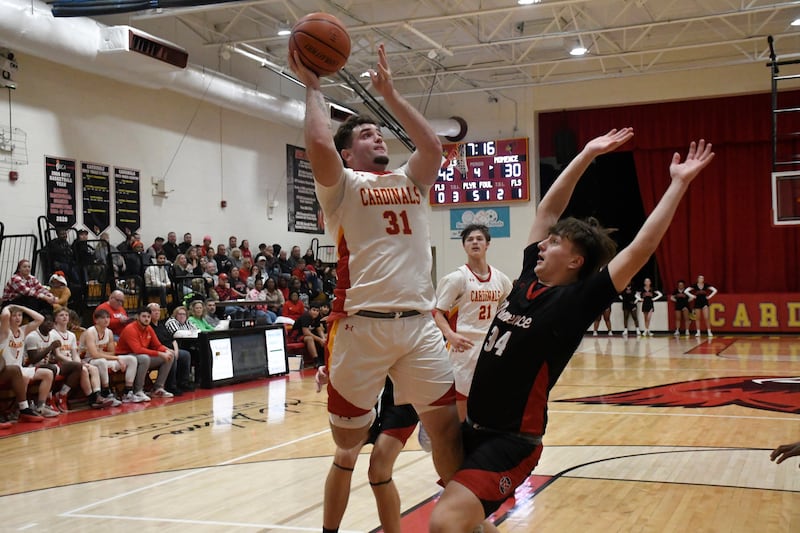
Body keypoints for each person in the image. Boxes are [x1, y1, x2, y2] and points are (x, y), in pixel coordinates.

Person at [428, 131, 714, 532]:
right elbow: (547, 209)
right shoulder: (527, 278)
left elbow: (641, 248)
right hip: (472, 427)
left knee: (445, 523)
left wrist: (678, 183)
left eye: (556, 242)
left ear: (577, 260)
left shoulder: (575, 302)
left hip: (510, 443)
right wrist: (586, 154)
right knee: (468, 517)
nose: (543, 243)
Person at [289, 42, 462, 490]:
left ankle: (463, 516)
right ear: (348, 154)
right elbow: (318, 141)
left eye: (378, 133)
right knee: (346, 439)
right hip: (360, 326)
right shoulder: (342, 186)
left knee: (447, 429)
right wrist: (312, 85)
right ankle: (357, 442)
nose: (377, 137)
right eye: (365, 135)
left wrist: (392, 96)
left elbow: (432, 148)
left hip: (418, 326)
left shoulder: (412, 180)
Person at [433, 224, 512, 421]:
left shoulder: (501, 279)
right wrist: (450, 335)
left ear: (487, 245)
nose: (475, 242)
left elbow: (510, 310)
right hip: (463, 348)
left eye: (479, 239)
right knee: (462, 404)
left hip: (490, 347)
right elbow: (436, 312)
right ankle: (459, 436)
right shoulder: (456, 278)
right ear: (464, 246)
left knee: (489, 400)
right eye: (470, 239)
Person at [321, 378, 419, 533]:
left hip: (403, 395)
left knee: (379, 470)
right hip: (368, 386)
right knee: (344, 455)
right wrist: (326, 367)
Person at [1, 305, 58, 417]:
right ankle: (17, 410)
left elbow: (40, 318)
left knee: (48, 373)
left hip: (19, 369)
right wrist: (9, 307)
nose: (18, 318)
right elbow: (5, 315)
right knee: (24, 377)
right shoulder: (4, 332)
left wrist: (21, 307)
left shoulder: (23, 330)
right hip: (6, 370)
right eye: (14, 315)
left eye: (20, 315)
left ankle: (41, 407)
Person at [81, 307, 145, 406]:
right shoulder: (90, 332)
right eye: (103, 318)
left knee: (131, 359)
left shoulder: (109, 332)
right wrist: (116, 358)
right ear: (96, 320)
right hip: (87, 360)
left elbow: (112, 352)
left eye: (108, 317)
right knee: (101, 361)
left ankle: (128, 392)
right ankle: (106, 392)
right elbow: (94, 354)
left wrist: (108, 355)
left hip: (102, 358)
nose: (106, 320)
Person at [52, 307, 112, 409]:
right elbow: (57, 354)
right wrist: (76, 363)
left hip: (72, 362)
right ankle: (91, 398)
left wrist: (78, 362)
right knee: (83, 370)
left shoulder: (71, 335)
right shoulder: (52, 334)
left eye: (66, 315)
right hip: (59, 363)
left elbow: (74, 353)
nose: (64, 317)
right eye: (61, 315)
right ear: (56, 319)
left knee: (93, 368)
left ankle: (97, 395)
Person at [115, 308, 175, 400]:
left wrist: (166, 351)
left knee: (170, 356)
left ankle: (158, 388)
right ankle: (138, 390)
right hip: (125, 356)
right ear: (138, 317)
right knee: (145, 358)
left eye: (148, 317)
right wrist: (159, 353)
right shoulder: (130, 329)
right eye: (144, 316)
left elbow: (157, 345)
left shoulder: (149, 328)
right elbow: (137, 349)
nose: (146, 319)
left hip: (138, 356)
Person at [147, 303, 192, 396]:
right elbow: (155, 344)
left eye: (158, 310)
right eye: (154, 311)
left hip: (170, 349)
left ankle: (183, 382)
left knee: (185, 354)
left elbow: (173, 339)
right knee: (171, 357)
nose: (157, 313)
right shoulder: (149, 326)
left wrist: (176, 350)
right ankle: (171, 385)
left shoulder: (161, 324)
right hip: (160, 351)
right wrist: (169, 351)